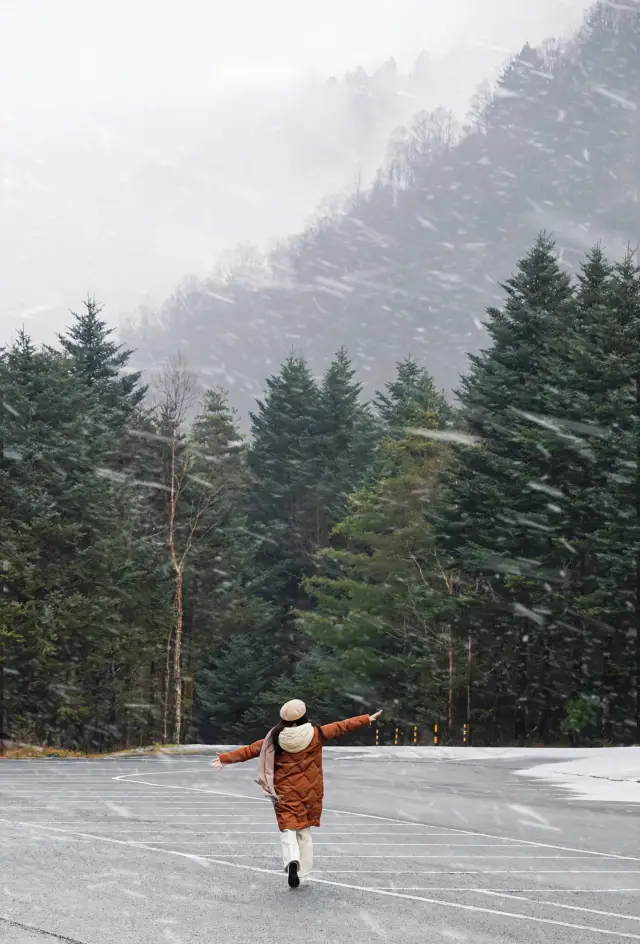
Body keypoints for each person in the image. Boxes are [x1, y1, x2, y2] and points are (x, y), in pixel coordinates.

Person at [212, 700, 382, 888]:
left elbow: (252, 749)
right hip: (310, 791)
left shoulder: (275, 738)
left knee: (288, 829)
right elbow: (342, 727)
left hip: (285, 792)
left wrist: (225, 758)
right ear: (303, 716)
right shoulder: (316, 733)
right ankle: (304, 872)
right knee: (304, 831)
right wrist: (366, 719)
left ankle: (291, 860)